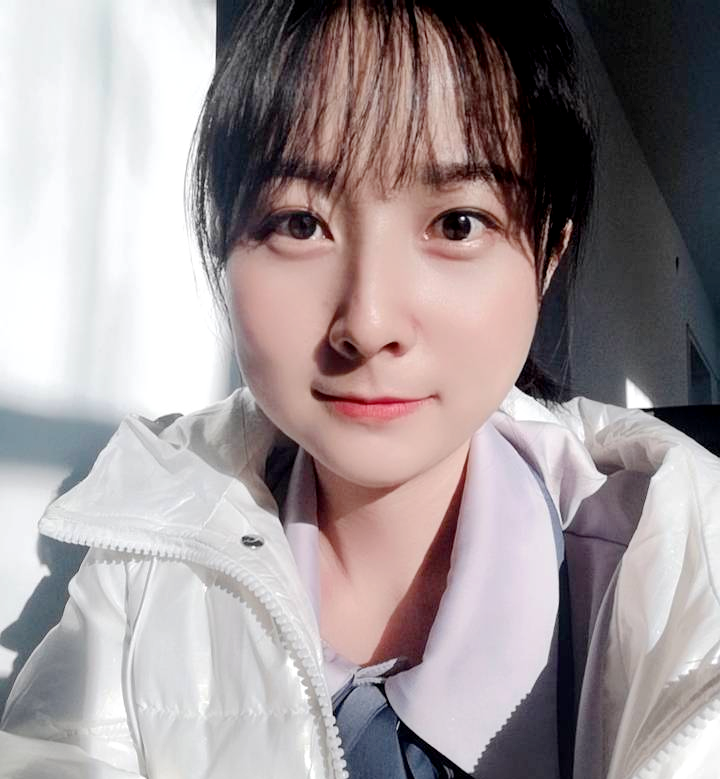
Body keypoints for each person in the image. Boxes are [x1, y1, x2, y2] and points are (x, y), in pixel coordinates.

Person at [2, 1, 719, 777]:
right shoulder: (144, 564)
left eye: (457, 223)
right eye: (299, 223)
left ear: (548, 256)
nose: (368, 323)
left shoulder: (677, 578)